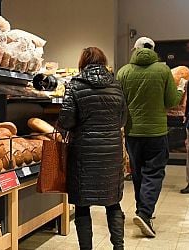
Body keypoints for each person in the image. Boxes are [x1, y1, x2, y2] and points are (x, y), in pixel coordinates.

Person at [58, 47, 127, 250]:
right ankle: (119, 247)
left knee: (82, 205)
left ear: (83, 62)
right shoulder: (116, 86)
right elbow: (123, 119)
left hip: (84, 154)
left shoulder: (75, 85)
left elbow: (67, 120)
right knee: (113, 203)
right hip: (111, 154)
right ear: (103, 62)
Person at [117, 37, 185, 237]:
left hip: (132, 132)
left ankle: (141, 209)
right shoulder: (163, 70)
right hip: (156, 132)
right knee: (153, 173)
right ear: (153, 50)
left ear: (134, 49)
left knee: (138, 172)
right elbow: (171, 101)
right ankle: (145, 214)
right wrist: (180, 88)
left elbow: (120, 103)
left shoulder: (123, 72)